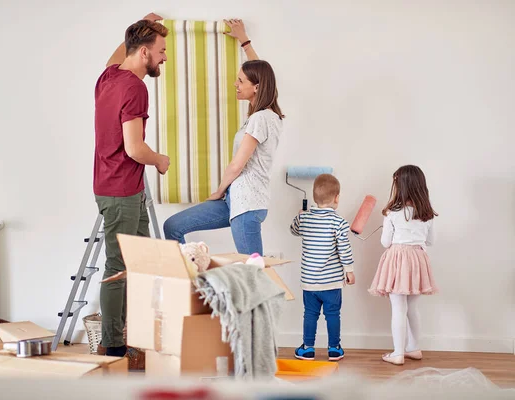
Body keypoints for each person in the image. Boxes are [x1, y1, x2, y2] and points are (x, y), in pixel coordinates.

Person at [163, 19, 283, 256]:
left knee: (253, 272)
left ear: (257, 87)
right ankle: (190, 283)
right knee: (172, 226)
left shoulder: (262, 118)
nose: (235, 84)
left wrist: (218, 191)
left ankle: (265, 293)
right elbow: (259, 71)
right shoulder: (260, 115)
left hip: (247, 205)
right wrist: (245, 41)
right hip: (234, 200)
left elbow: (238, 164)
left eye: (240, 81)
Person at [93, 13, 170, 357]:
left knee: (142, 264)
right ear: (143, 53)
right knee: (119, 267)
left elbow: (116, 56)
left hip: (120, 187)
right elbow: (134, 148)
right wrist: (160, 160)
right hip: (122, 190)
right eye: (161, 50)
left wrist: (141, 22)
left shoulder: (109, 77)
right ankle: (113, 344)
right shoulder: (135, 87)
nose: (164, 57)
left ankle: (135, 333)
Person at [368, 165, 438, 365]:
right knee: (412, 308)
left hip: (398, 260)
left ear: (400, 186)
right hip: (418, 258)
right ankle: (414, 348)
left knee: (398, 308)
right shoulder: (427, 213)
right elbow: (431, 241)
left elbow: (385, 243)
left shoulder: (392, 212)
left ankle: (398, 353)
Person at [291, 174, 355, 362]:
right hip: (332, 282)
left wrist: (300, 216)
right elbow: (344, 249)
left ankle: (307, 348)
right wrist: (349, 270)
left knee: (310, 314)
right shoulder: (339, 222)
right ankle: (334, 348)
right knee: (333, 314)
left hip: (310, 282)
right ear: (337, 198)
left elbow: (293, 230)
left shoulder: (305, 219)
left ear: (314, 197)